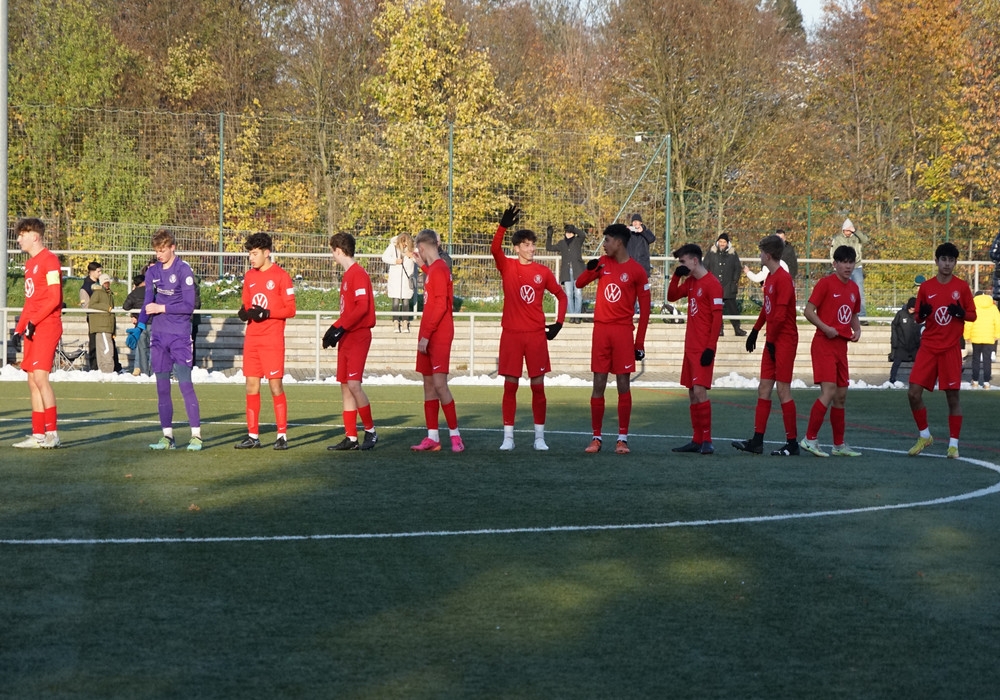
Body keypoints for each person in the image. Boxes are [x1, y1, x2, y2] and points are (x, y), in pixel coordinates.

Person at [492, 205, 568, 451]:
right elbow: (494, 249)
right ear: (517, 248)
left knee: (538, 387)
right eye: (526, 245)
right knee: (510, 386)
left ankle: (539, 438)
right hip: (511, 335)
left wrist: (559, 323)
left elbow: (562, 295)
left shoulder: (542, 272)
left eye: (533, 244)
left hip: (536, 335)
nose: (532, 248)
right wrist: (502, 227)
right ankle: (508, 438)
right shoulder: (507, 266)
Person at [575, 223, 651, 454]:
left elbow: (645, 311)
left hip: (622, 333)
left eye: (607, 240)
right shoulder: (602, 263)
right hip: (601, 331)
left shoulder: (637, 271)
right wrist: (591, 270)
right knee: (598, 383)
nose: (604, 245)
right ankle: (596, 438)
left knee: (623, 385)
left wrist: (639, 343)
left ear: (618, 242)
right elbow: (579, 283)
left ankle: (622, 439)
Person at [128, 228, 203, 451]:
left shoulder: (183, 270)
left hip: (179, 336)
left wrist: (162, 307)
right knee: (162, 387)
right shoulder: (153, 272)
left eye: (162, 250)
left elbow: (189, 306)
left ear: (172, 248)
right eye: (156, 251)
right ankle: (167, 437)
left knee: (185, 384)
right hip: (159, 336)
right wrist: (140, 326)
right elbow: (147, 303)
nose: (159, 254)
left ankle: (196, 436)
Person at [906, 242, 976, 459]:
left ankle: (953, 445)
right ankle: (924, 435)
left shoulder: (962, 287)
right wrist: (923, 313)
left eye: (951, 260)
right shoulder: (926, 287)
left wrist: (961, 313)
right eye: (943, 259)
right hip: (928, 347)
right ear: (936, 261)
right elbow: (918, 317)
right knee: (913, 393)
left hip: (950, 349)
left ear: (955, 263)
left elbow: (972, 315)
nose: (947, 264)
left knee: (952, 397)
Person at [733, 234, 800, 456]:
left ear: (768, 255)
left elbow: (780, 316)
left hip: (784, 340)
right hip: (773, 339)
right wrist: (755, 330)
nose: (759, 255)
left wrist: (770, 341)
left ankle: (792, 443)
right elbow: (768, 308)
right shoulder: (770, 277)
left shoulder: (783, 279)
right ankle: (757, 440)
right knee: (764, 387)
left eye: (761, 252)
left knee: (783, 390)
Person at [234, 232, 297, 450]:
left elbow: (291, 309)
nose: (251, 258)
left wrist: (268, 313)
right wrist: (244, 312)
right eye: (250, 254)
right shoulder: (249, 276)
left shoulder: (282, 276)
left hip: (272, 340)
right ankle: (253, 436)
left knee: (275, 386)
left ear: (267, 253)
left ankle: (282, 436)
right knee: (251, 385)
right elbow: (247, 304)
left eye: (254, 254)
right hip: (252, 339)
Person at [799, 245, 863, 458]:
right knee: (829, 391)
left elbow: (853, 314)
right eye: (843, 262)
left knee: (841, 396)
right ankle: (809, 439)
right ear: (835, 264)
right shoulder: (825, 284)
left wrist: (857, 329)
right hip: (823, 344)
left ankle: (838, 445)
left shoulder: (854, 288)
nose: (848, 266)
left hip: (841, 347)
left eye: (851, 262)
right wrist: (825, 328)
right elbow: (808, 311)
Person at [323, 232, 378, 451]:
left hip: (358, 335)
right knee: (345, 386)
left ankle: (370, 431)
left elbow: (362, 307)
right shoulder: (348, 275)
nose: (332, 255)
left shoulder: (358, 274)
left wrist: (341, 326)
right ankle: (351, 437)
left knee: (354, 384)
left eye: (332, 251)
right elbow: (349, 310)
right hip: (348, 335)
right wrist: (335, 328)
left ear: (338, 250)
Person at [666, 243, 724, 455]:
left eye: (683, 261)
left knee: (700, 391)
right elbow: (672, 296)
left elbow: (717, 318)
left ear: (695, 260)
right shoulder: (690, 282)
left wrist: (710, 348)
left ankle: (707, 440)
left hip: (702, 348)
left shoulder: (712, 284)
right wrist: (676, 276)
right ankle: (697, 439)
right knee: (692, 392)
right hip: (690, 347)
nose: (681, 265)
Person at [410, 228, 464, 452]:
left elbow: (441, 305)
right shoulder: (433, 269)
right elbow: (435, 288)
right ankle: (432, 437)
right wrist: (422, 266)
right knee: (428, 384)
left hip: (438, 334)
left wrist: (426, 335)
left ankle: (455, 435)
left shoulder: (440, 269)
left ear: (422, 248)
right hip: (429, 332)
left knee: (440, 385)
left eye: (419, 250)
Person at [12, 218, 63, 449]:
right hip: (33, 326)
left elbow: (54, 298)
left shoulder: (50, 260)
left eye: (22, 234)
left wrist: (33, 321)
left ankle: (52, 433)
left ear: (35, 236)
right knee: (32, 381)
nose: (18, 239)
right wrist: (20, 327)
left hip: (47, 325)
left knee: (41, 378)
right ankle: (38, 435)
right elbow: (30, 301)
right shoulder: (29, 264)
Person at [702, 233, 745, 336]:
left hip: (729, 286)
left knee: (733, 308)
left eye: (724, 242)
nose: (722, 244)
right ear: (718, 242)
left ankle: (737, 328)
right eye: (720, 241)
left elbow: (737, 268)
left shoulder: (733, 253)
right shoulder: (711, 253)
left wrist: (734, 281)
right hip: (714, 286)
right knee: (716, 310)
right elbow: (705, 267)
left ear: (727, 243)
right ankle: (719, 329)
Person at [545, 223, 586, 323]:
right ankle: (572, 315)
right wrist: (549, 236)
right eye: (567, 232)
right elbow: (549, 247)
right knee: (568, 294)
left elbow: (583, 235)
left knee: (578, 293)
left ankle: (577, 316)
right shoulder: (562, 243)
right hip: (566, 272)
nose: (569, 234)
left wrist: (574, 229)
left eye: (570, 232)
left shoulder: (577, 241)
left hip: (578, 271)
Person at [830, 218, 869, 318]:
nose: (848, 232)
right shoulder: (838, 239)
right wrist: (835, 266)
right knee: (840, 291)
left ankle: (861, 316)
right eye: (846, 230)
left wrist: (856, 231)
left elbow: (865, 240)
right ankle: (840, 314)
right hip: (841, 268)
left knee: (859, 291)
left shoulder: (857, 237)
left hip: (856, 267)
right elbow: (833, 252)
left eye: (849, 230)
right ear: (843, 230)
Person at [964, 292, 1000, 389]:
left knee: (975, 359)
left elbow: (968, 323)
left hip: (976, 337)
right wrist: (997, 335)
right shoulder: (993, 308)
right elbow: (998, 322)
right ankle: (986, 382)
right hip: (989, 337)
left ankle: (975, 381)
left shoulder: (973, 307)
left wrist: (967, 336)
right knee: (987, 360)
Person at [381, 233, 417, 333]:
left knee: (406, 301)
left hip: (406, 279)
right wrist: (395, 261)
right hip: (395, 279)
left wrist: (411, 256)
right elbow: (384, 257)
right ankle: (396, 321)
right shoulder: (393, 246)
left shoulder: (413, 248)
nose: (404, 244)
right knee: (395, 301)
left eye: (406, 242)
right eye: (403, 242)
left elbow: (419, 259)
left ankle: (405, 321)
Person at [87, 273, 117, 374]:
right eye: (105, 282)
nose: (107, 284)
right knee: (106, 349)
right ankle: (107, 370)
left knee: (104, 348)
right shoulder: (98, 292)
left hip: (107, 325)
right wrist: (106, 308)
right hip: (102, 325)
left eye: (108, 282)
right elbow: (92, 305)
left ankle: (104, 370)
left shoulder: (109, 294)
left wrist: (114, 330)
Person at [123, 271, 151, 376]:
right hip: (153, 322)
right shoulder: (151, 291)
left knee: (141, 349)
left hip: (140, 324)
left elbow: (126, 306)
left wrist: (134, 314)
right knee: (154, 348)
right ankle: (154, 371)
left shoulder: (134, 293)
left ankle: (143, 372)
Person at [888, 297, 921, 385]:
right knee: (896, 362)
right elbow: (894, 326)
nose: (912, 309)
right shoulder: (901, 314)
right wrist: (894, 342)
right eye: (911, 307)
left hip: (914, 346)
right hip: (902, 345)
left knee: (920, 362)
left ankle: (920, 380)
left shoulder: (918, 316)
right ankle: (892, 379)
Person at [80, 261, 102, 370]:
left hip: (102, 318)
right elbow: (86, 306)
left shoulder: (100, 283)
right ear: (91, 272)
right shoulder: (85, 287)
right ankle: (94, 366)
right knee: (93, 342)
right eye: (98, 271)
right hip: (93, 318)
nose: (100, 273)